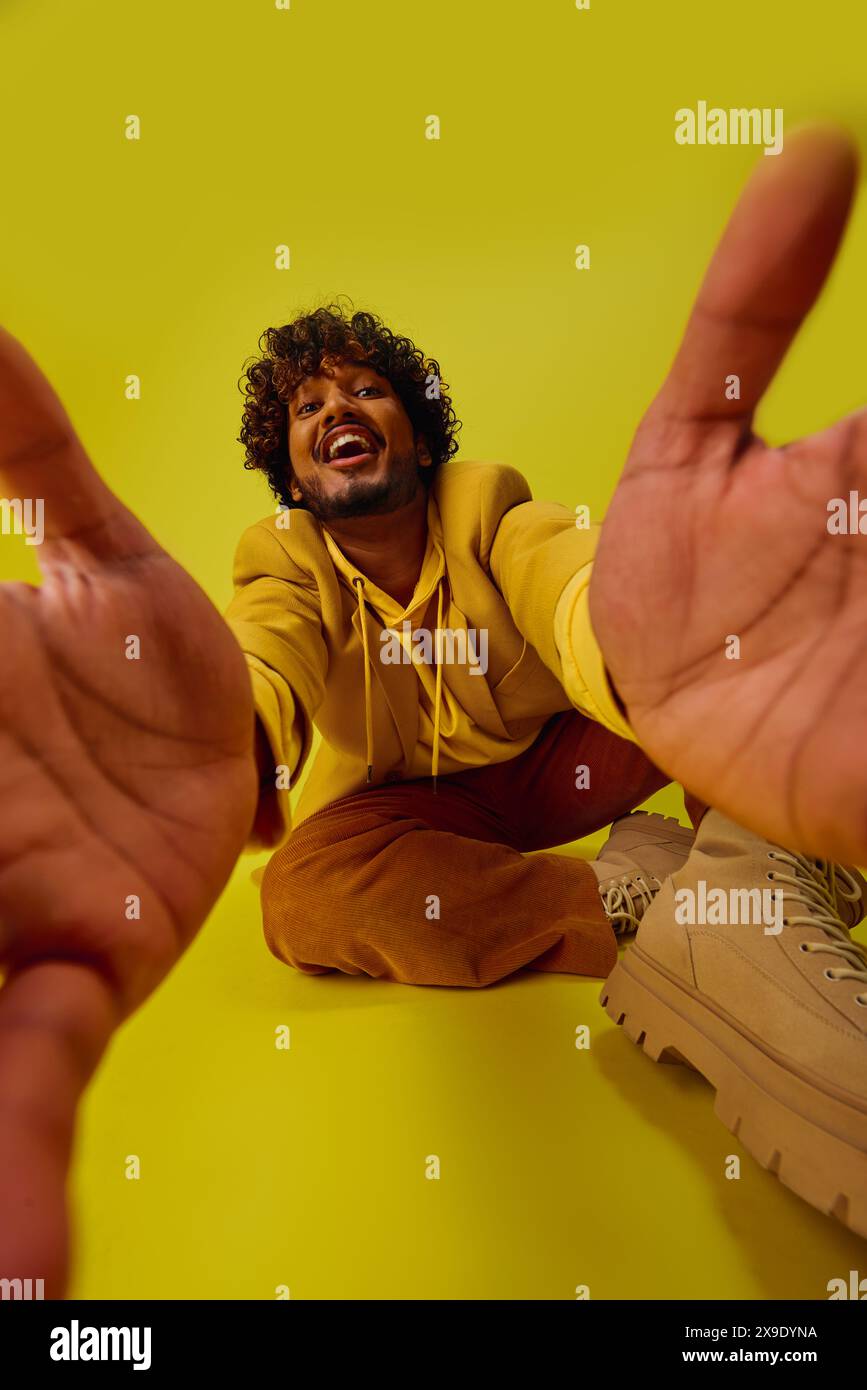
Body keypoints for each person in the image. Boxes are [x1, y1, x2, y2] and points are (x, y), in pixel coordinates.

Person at [0, 127, 865, 1297]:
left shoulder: (486, 503)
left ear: (415, 426)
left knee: (698, 677)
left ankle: (763, 878)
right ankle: (663, 903)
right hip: (416, 822)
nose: (338, 409)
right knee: (301, 891)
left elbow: (573, 593)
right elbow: (269, 659)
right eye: (309, 405)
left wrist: (639, 652)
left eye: (367, 389)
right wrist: (235, 742)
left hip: (576, 754)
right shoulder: (283, 556)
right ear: (292, 464)